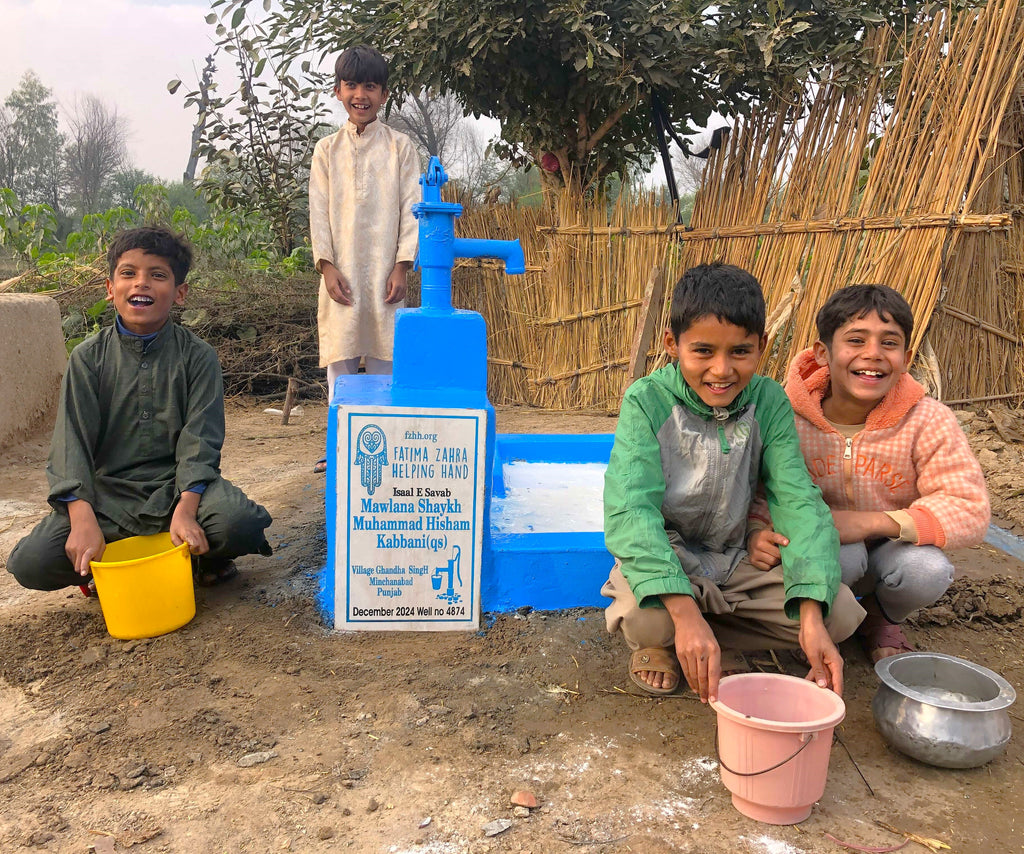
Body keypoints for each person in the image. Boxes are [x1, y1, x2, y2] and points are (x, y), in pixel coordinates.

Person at [602, 263, 865, 704]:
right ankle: (680, 631)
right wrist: (683, 613)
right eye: (703, 351)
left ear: (762, 346)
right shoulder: (645, 401)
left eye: (740, 352)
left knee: (835, 613)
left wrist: (809, 614)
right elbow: (631, 512)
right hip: (671, 556)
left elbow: (798, 500)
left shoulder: (769, 401)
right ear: (673, 344)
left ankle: (700, 635)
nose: (721, 370)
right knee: (647, 621)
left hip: (735, 560)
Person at [7, 227, 273, 593]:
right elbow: (72, 444)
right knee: (31, 563)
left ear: (180, 293)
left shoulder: (197, 357)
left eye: (157, 275)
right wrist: (82, 518)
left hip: (178, 491)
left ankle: (204, 556)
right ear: (109, 288)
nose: (141, 283)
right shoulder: (88, 358)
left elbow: (201, 441)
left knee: (237, 524)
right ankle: (109, 562)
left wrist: (186, 508)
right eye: (128, 273)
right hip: (107, 498)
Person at [770, 284, 989, 662]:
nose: (873, 355)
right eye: (856, 340)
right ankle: (827, 617)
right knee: (842, 556)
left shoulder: (927, 420)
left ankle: (880, 616)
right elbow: (760, 491)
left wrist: (872, 522)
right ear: (822, 353)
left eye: (889, 343)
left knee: (927, 570)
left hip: (894, 548)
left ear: (905, 356)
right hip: (827, 548)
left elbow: (969, 508)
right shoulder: (786, 419)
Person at [309, 44, 419, 472]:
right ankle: (339, 444)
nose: (360, 95)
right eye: (351, 85)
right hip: (340, 272)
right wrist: (326, 265)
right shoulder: (326, 150)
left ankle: (385, 444)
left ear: (384, 93)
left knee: (384, 357)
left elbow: (412, 207)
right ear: (338, 91)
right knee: (339, 359)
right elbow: (318, 210)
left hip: (385, 273)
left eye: (369, 86)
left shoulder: (400, 147)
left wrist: (403, 264)